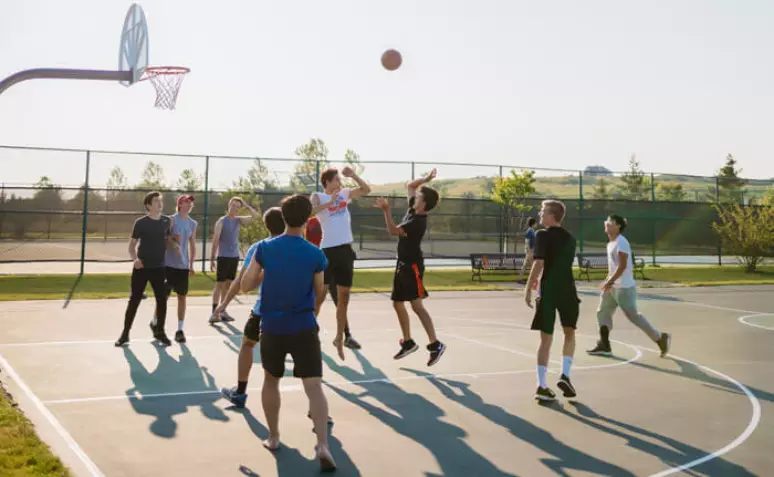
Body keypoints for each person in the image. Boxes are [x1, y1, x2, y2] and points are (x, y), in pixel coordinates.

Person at [239, 194, 338, 471]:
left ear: (283, 217)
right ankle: (323, 444)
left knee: (271, 380)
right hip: (304, 325)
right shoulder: (315, 253)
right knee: (314, 386)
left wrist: (265, 273)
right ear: (308, 219)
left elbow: (246, 285)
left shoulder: (264, 248)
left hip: (272, 326)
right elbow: (319, 291)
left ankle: (273, 437)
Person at [374, 168, 446, 366]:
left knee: (417, 306)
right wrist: (427, 178)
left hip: (412, 267)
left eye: (418, 197)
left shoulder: (417, 222)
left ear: (423, 204)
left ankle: (435, 344)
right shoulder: (413, 210)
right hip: (402, 264)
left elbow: (392, 230)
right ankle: (408, 342)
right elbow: (411, 185)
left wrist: (386, 210)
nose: (415, 197)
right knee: (397, 303)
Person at [218, 207, 286, 407]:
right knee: (302, 357)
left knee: (248, 344)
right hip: (295, 311)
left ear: (266, 225)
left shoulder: (259, 248)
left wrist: (224, 304)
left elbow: (242, 281)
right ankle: (318, 407)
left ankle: (240, 392)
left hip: (265, 310)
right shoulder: (299, 246)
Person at [587, 215, 671, 357]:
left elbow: (622, 266)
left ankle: (660, 338)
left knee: (634, 316)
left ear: (618, 226)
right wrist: (608, 280)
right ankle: (604, 345)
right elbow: (613, 267)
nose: (607, 224)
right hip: (612, 286)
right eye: (606, 221)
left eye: (610, 222)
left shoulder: (622, 242)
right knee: (602, 313)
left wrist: (610, 281)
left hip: (624, 287)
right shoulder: (611, 243)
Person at [310, 165, 371, 353]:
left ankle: (341, 337)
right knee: (320, 296)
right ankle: (308, 331)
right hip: (327, 251)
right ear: (327, 181)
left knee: (344, 298)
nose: (340, 182)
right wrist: (329, 203)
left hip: (345, 251)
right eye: (337, 179)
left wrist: (353, 175)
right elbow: (310, 212)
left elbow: (366, 190)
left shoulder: (344, 194)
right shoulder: (318, 196)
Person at [524, 200, 580, 402]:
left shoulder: (542, 235)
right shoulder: (571, 239)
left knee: (546, 340)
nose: (540, 214)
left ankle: (541, 385)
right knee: (569, 333)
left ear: (552, 215)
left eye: (543, 211)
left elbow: (539, 263)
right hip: (568, 290)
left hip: (549, 290)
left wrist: (528, 287)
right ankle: (565, 375)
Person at [115, 191, 178, 347]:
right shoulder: (141, 223)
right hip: (142, 268)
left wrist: (174, 244)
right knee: (134, 300)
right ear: (148, 206)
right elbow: (131, 246)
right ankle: (125, 334)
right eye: (156, 201)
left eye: (160, 200)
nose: (159, 203)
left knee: (161, 300)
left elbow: (167, 239)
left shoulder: (166, 221)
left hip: (159, 268)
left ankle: (160, 332)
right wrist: (135, 259)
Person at [150, 194, 198, 343]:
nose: (189, 204)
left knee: (182, 297)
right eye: (186, 202)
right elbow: (164, 238)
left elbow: (192, 244)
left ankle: (180, 330)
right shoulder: (171, 220)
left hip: (183, 266)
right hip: (168, 265)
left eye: (190, 202)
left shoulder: (192, 223)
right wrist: (173, 243)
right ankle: (155, 322)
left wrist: (191, 265)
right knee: (163, 297)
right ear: (180, 204)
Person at [209, 196, 260, 323]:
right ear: (229, 205)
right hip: (223, 257)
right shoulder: (222, 221)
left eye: (238, 207)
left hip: (234, 257)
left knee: (228, 284)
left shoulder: (239, 220)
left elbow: (256, 216)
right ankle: (214, 313)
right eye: (233, 205)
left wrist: (246, 205)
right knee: (219, 284)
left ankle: (223, 311)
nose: (235, 208)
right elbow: (216, 240)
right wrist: (212, 258)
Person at [305, 215, 339, 307]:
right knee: (320, 294)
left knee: (331, 293)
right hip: (319, 257)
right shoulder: (312, 222)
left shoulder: (329, 221)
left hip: (326, 257)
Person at [518, 217, 538, 283]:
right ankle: (533, 280)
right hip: (530, 251)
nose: (536, 224)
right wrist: (529, 251)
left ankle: (519, 279)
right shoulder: (529, 231)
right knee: (533, 266)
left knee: (525, 266)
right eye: (535, 223)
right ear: (533, 224)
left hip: (531, 251)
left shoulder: (532, 231)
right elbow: (527, 242)